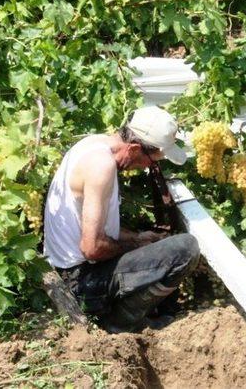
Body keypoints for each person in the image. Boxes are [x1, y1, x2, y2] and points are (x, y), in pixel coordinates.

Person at [43, 106, 200, 332]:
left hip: (69, 268)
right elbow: (92, 248)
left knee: (156, 242)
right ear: (135, 147)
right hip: (80, 281)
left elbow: (92, 226)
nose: (150, 166)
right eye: (152, 159)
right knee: (186, 248)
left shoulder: (94, 145)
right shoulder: (101, 167)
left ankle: (132, 312)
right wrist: (135, 244)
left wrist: (138, 237)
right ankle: (121, 323)